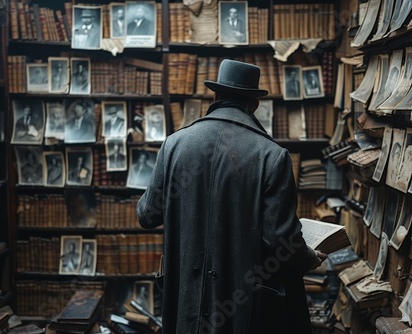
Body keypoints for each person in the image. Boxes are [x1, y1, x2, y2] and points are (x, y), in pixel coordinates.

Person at [136, 59, 326, 333]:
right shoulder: (272, 156)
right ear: (255, 105)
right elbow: (280, 241)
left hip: (184, 305)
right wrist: (309, 257)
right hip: (243, 309)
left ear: (215, 96)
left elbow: (147, 215)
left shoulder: (174, 145)